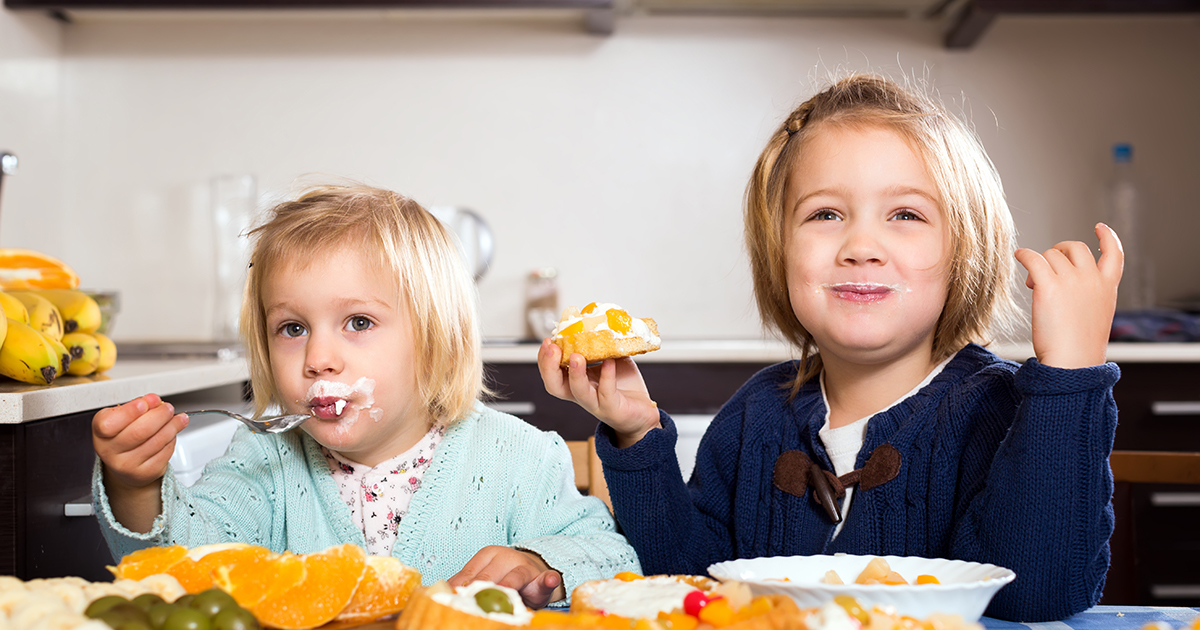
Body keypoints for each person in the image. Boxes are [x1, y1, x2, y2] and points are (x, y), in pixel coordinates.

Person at [538, 74, 1121, 622]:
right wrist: (637, 434)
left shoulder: (1004, 409)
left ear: (965, 249)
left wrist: (1070, 377)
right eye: (825, 213)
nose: (861, 245)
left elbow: (1036, 592)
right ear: (778, 251)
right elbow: (688, 581)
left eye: (905, 214)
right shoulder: (756, 413)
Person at [92, 183, 640, 608]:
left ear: (434, 339)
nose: (317, 358)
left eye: (357, 322)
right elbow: (183, 570)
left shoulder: (520, 458)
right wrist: (135, 487)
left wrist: (540, 564)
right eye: (292, 328)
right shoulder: (263, 461)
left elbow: (614, 558)